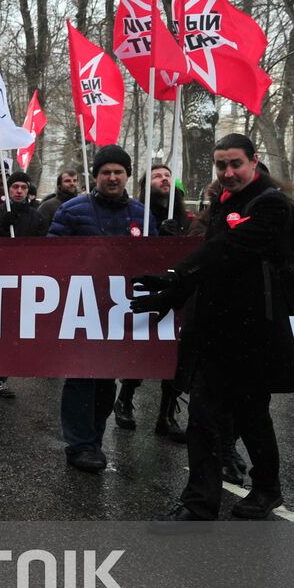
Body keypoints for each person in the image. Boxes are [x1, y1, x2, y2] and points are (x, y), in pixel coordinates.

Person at [135, 135, 294, 522]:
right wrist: (171, 294)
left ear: (254, 162)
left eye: (235, 164)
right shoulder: (223, 203)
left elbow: (228, 251)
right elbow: (214, 262)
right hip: (214, 331)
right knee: (204, 417)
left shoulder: (272, 205)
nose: (227, 173)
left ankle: (266, 490)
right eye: (220, 166)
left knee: (251, 417)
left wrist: (175, 273)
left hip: (254, 334)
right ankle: (200, 501)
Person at [47, 144, 150, 473]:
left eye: (118, 172)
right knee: (80, 379)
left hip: (119, 312)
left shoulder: (140, 214)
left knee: (106, 382)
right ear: (95, 176)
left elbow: (152, 259)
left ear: (127, 176)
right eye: (106, 172)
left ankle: (95, 438)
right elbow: (50, 256)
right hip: (80, 308)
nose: (112, 177)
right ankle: (79, 445)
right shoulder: (72, 211)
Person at [112, 163, 193, 440]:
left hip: (177, 292)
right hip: (146, 289)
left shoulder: (186, 219)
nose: (164, 179)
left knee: (175, 354)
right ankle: (124, 399)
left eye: (168, 175)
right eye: (157, 176)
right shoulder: (138, 215)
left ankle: (166, 414)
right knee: (141, 345)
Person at [0, 170, 45, 400]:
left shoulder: (37, 218)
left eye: (23, 188)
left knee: (9, 330)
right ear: (8, 190)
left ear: (28, 191)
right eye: (15, 187)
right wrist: (1, 227)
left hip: (22, 279)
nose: (18, 191)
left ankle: (1, 378)